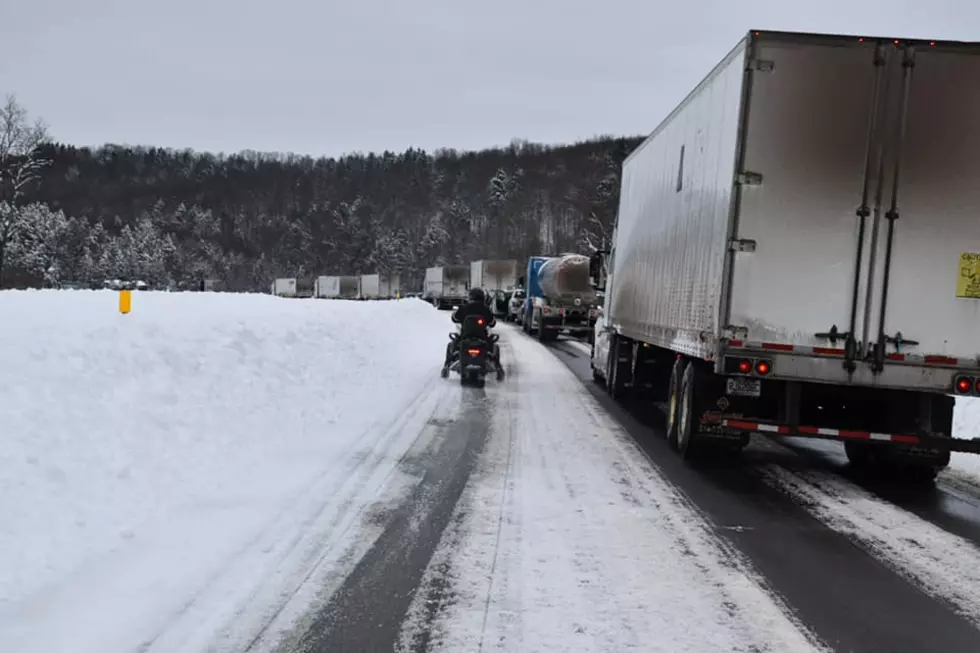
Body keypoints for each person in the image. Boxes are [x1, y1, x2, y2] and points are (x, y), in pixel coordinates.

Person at [442, 287, 502, 375]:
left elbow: (454, 318)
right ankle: (498, 368)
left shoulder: (465, 308)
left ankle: (446, 366)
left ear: (470, 297)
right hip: (482, 338)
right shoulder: (485, 309)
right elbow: (492, 323)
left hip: (465, 337)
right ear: (483, 297)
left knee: (453, 344)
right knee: (493, 345)